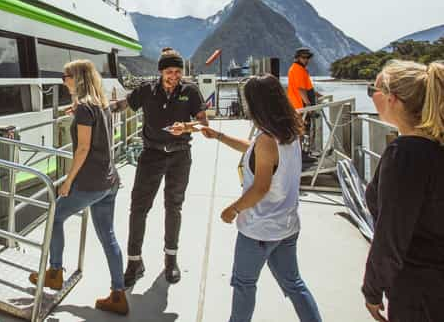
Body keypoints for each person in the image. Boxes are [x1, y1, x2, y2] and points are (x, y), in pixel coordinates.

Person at [200, 74, 322, 322]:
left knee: (244, 285)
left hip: (259, 230)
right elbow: (256, 151)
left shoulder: (267, 140)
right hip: (287, 226)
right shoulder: (290, 129)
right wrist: (219, 136)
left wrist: (232, 209)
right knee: (294, 284)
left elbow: (260, 188)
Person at [28, 59, 128, 315]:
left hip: (89, 182)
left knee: (54, 216)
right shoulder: (100, 105)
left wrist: (68, 180)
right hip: (109, 181)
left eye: (66, 75)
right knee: (108, 236)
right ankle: (118, 294)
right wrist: (75, 112)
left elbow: (83, 148)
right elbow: (93, 131)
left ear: (78, 78)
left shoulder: (85, 108)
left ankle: (55, 272)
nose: (63, 80)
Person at [110, 47, 206, 286]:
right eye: (169, 71)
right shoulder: (146, 91)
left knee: (173, 207)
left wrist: (186, 127)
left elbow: (203, 121)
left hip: (180, 156)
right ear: (161, 72)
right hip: (151, 155)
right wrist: (97, 106)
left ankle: (170, 261)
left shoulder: (190, 91)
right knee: (138, 208)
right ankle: (134, 261)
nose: (174, 76)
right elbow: (123, 105)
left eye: (177, 71)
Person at [361, 60, 444, 322]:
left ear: (391, 99)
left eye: (372, 91)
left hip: (418, 294)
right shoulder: (434, 148)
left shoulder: (406, 155)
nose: (371, 97)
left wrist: (372, 290)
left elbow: (391, 235)